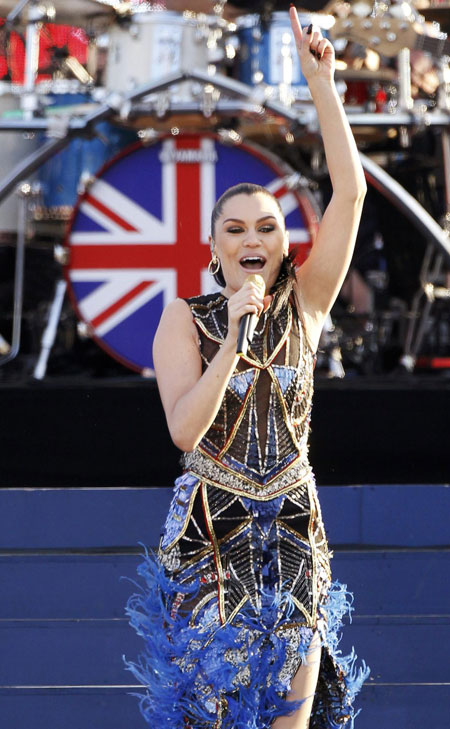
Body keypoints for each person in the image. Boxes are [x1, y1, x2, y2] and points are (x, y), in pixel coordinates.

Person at [125, 8, 370, 728]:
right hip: (211, 527)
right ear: (215, 249)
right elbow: (184, 431)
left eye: (267, 227)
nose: (251, 238)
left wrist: (322, 85)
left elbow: (351, 193)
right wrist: (233, 335)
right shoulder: (184, 318)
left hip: (293, 522)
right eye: (235, 229)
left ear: (285, 246)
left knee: (292, 718)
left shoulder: (308, 304)